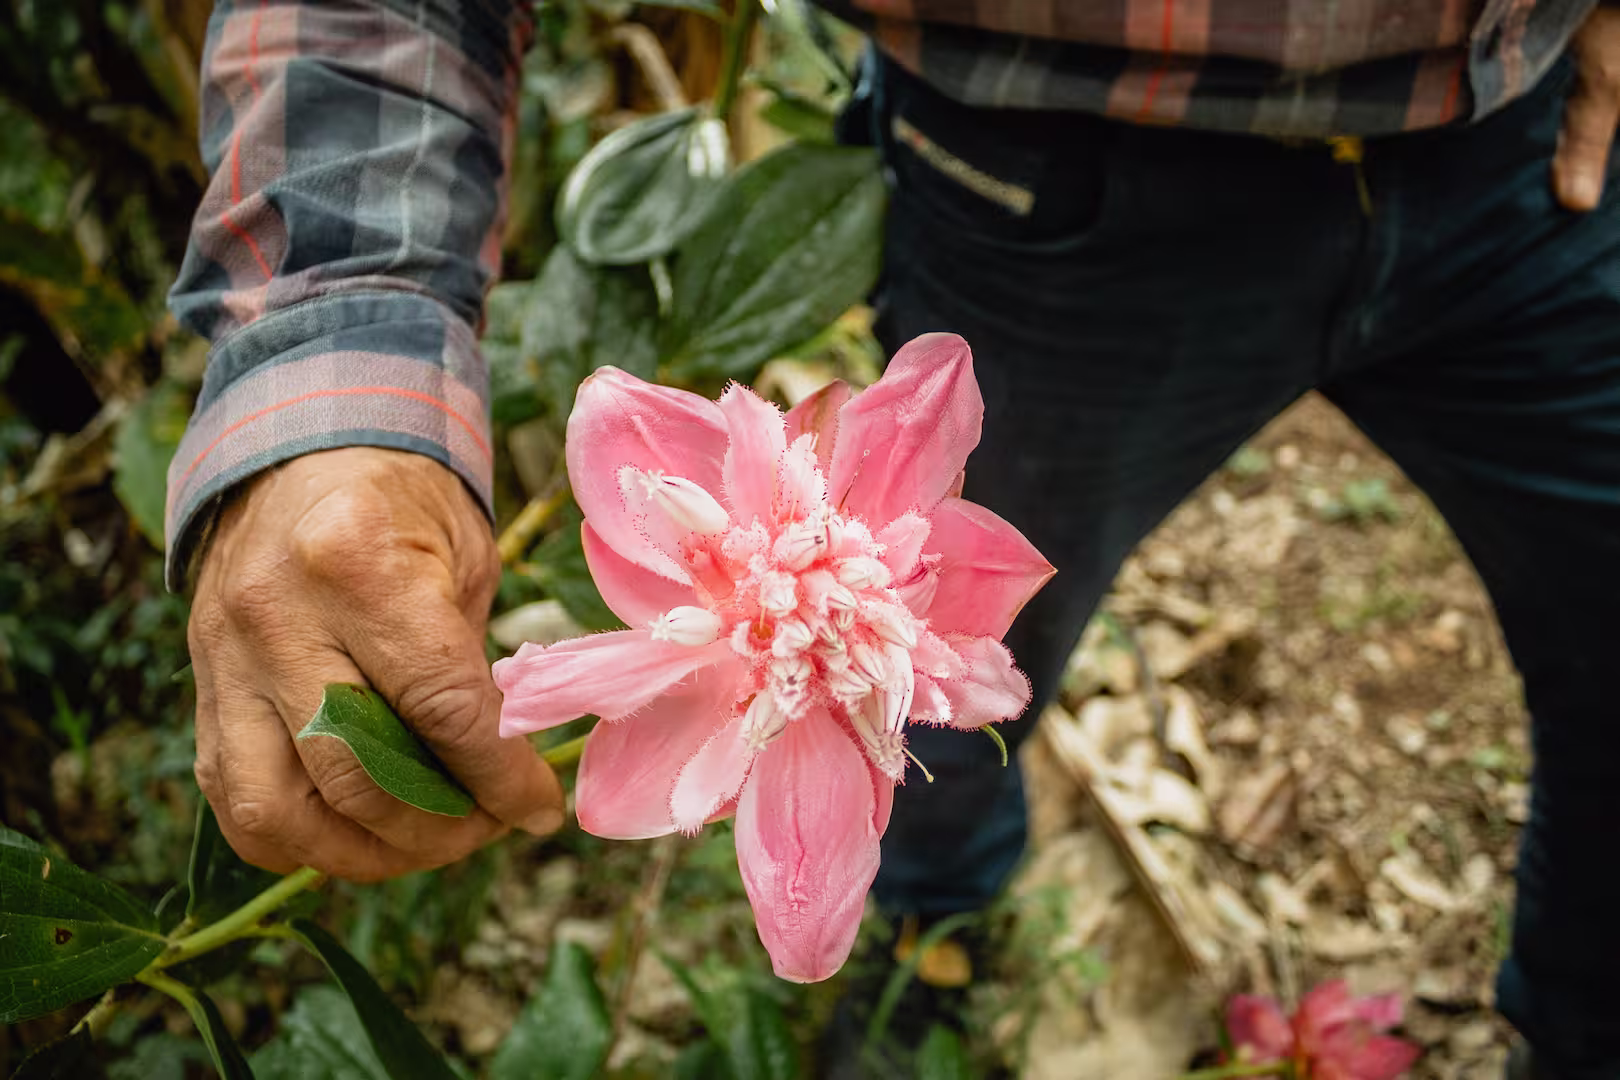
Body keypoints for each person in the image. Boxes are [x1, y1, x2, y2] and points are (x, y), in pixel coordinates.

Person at [167, 1, 1619, 1076]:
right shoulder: (721, 543)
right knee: (955, 720)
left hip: (1544, 144)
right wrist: (327, 353)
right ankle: (933, 940)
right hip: (1049, 181)